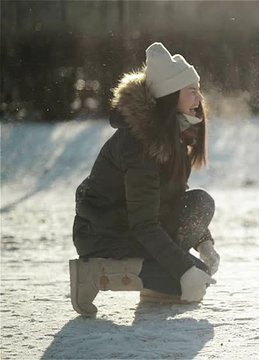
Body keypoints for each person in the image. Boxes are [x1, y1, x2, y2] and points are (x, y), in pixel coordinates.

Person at [69, 42, 220, 316]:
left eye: (199, 90)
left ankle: (157, 282)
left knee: (199, 203)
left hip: (132, 227)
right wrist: (185, 268)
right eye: (192, 91)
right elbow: (144, 224)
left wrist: (203, 242)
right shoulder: (139, 144)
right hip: (105, 235)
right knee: (188, 279)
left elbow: (173, 201)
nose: (199, 100)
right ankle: (93, 271)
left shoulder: (174, 137)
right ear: (170, 96)